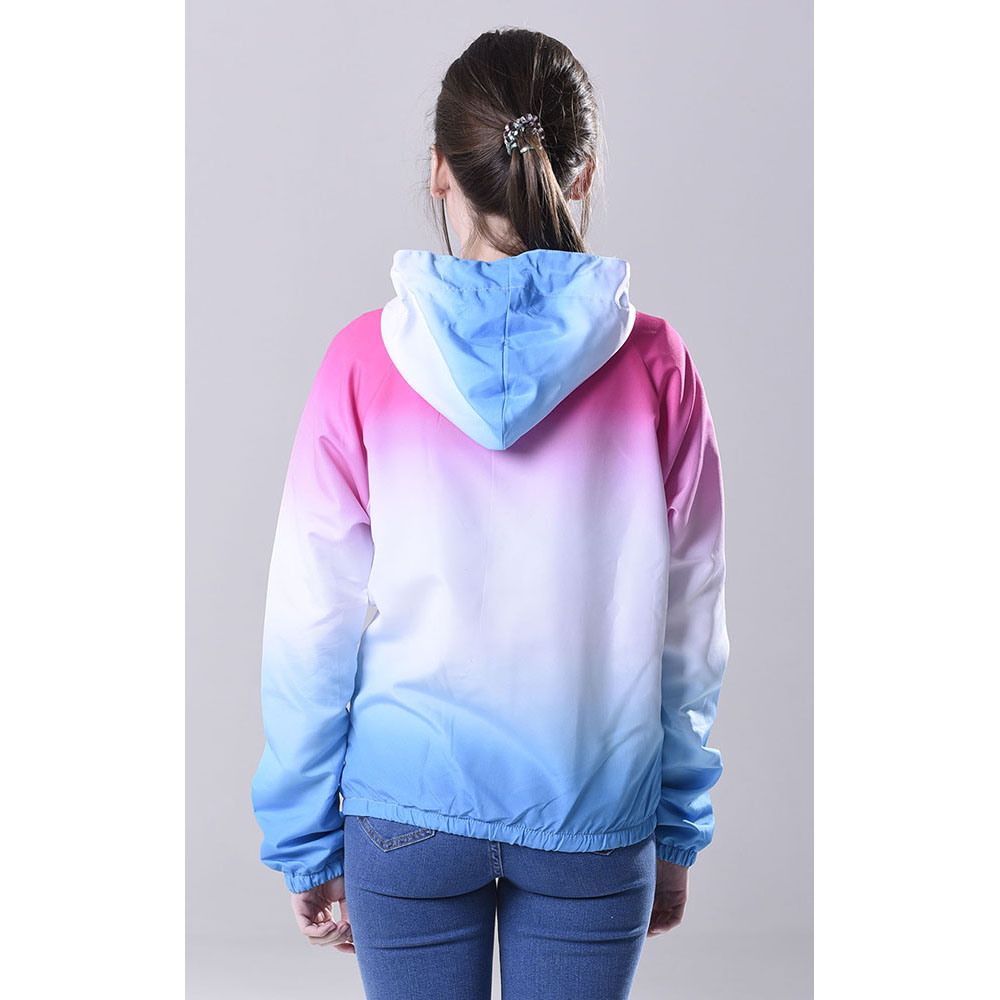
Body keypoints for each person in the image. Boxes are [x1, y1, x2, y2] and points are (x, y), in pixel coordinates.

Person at [250, 26, 731, 1000]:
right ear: (582, 172)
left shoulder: (362, 362)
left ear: (440, 168)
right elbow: (692, 619)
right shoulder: (657, 366)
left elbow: (310, 619)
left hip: (405, 806)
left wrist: (303, 836)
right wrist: (677, 824)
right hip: (593, 809)